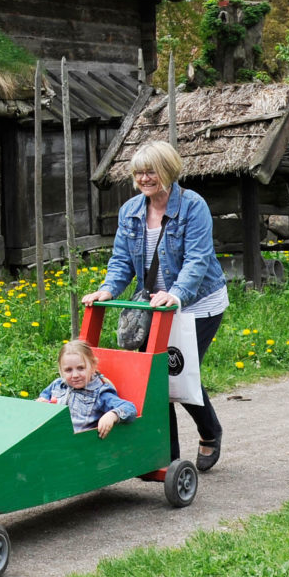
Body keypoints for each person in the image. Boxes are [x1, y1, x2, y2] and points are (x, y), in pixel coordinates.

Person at [80, 140, 227, 472]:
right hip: (154, 307)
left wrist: (176, 294)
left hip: (197, 303)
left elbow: (198, 259)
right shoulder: (131, 210)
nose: (144, 178)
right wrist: (107, 289)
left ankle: (208, 432)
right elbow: (121, 262)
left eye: (151, 172)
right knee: (157, 378)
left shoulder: (193, 206)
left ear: (168, 171)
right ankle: (169, 458)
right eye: (139, 172)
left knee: (175, 372)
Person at [36, 340, 138, 438]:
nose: (75, 375)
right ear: (61, 370)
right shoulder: (58, 385)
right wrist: (41, 403)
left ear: (93, 366)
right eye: (68, 370)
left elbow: (129, 408)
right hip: (52, 435)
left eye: (81, 368)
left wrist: (112, 415)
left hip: (77, 444)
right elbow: (43, 399)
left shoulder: (99, 392)